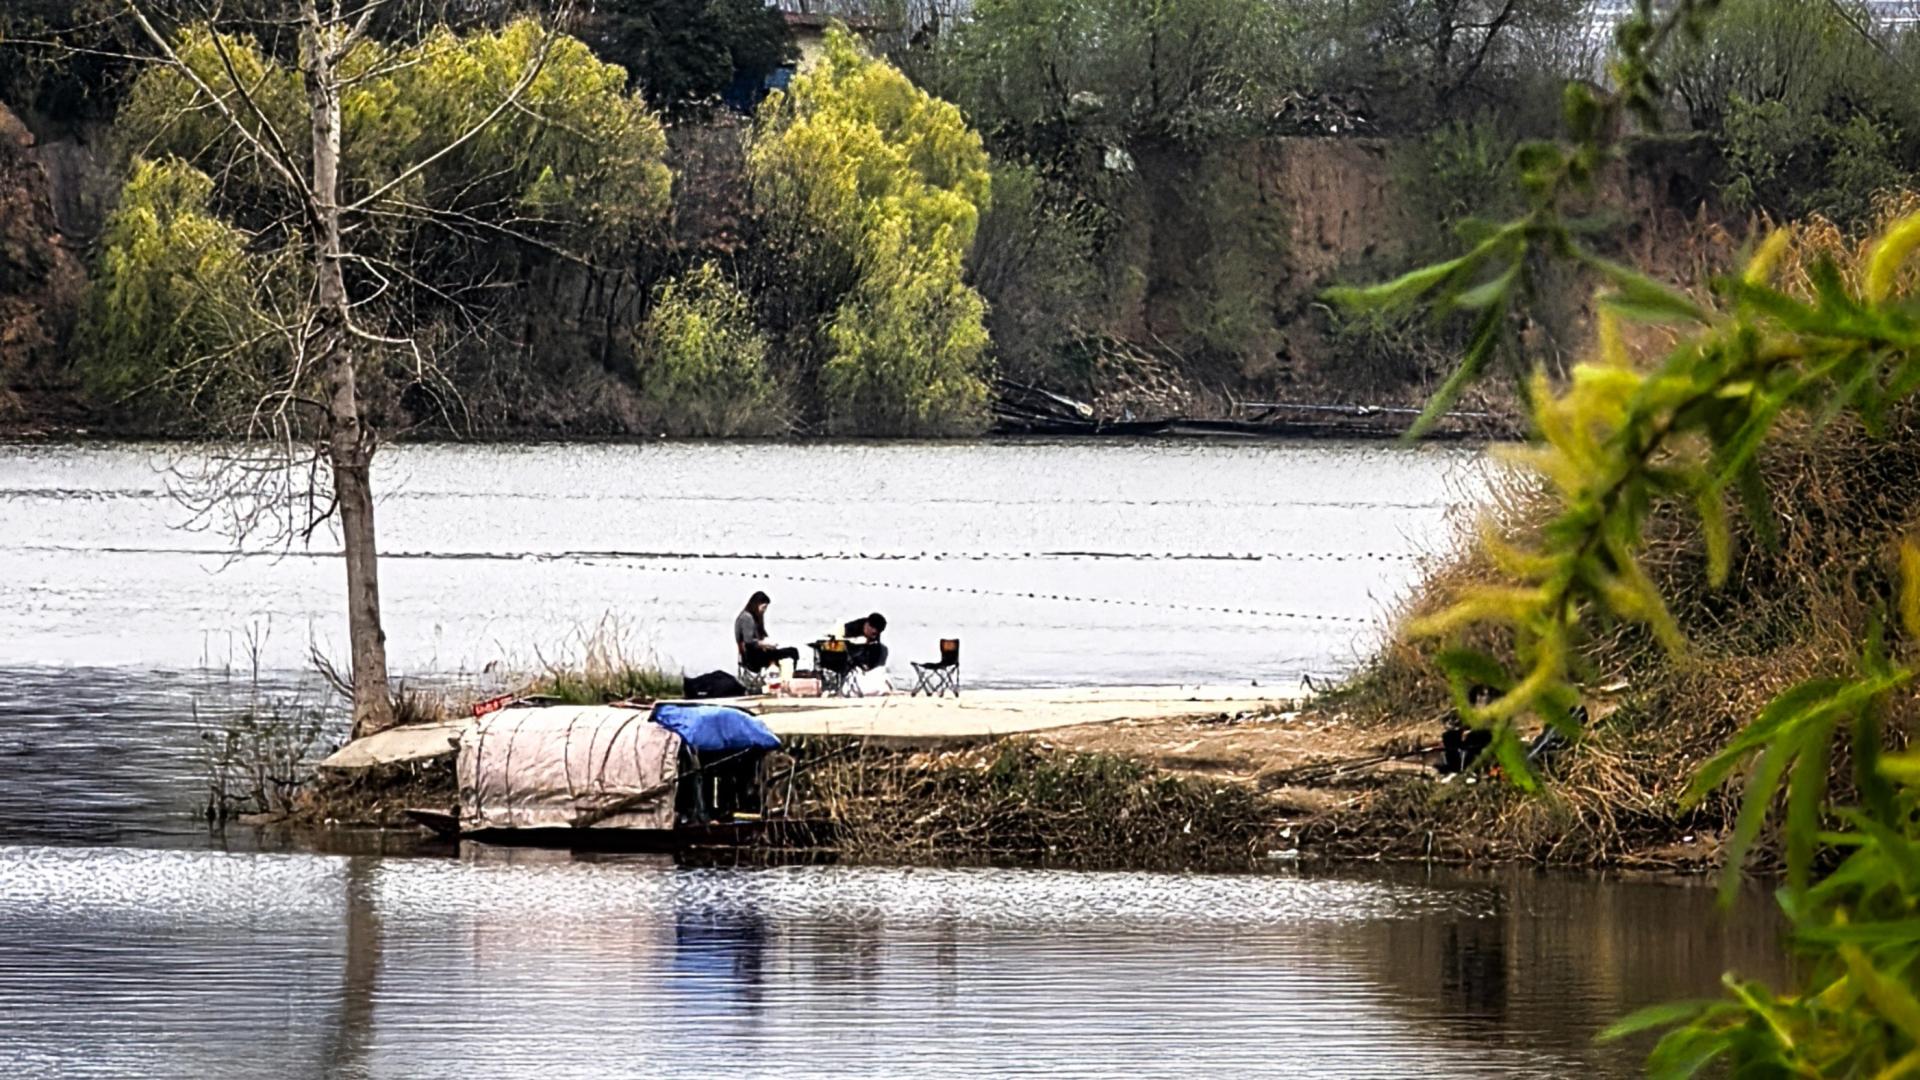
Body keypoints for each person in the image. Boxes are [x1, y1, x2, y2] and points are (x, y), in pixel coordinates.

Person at [735, 591, 799, 672]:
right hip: (753, 658)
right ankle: (788, 677)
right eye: (764, 607)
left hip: (755, 654)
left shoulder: (752, 617)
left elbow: (760, 637)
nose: (764, 610)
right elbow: (749, 642)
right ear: (756, 604)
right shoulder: (747, 618)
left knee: (789, 651)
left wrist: (768, 644)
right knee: (793, 652)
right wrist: (766, 644)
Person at [1439, 685, 1496, 775]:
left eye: (1484, 694)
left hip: (1483, 736)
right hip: (1476, 734)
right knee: (1451, 736)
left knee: (1472, 739)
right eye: (1481, 694)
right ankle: (1454, 767)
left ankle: (1472, 770)